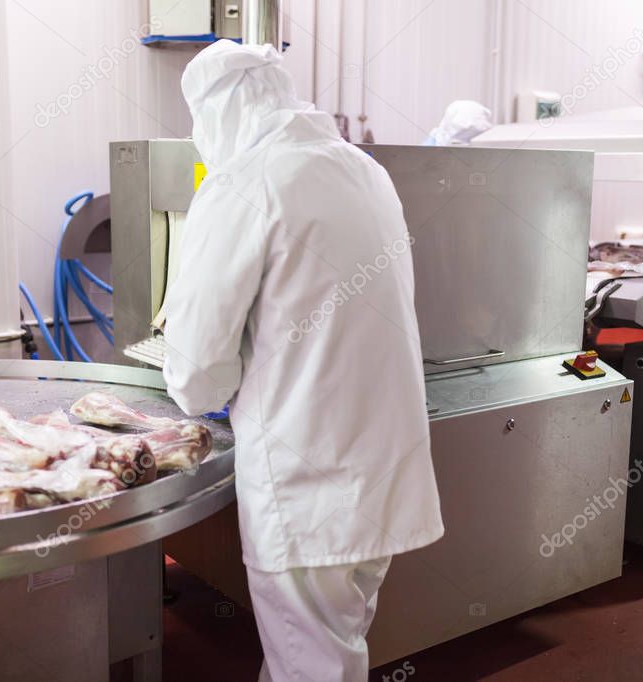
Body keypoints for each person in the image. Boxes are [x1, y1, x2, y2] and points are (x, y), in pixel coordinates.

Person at [162, 39, 444, 682]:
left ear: (215, 115)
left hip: (307, 483)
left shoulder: (243, 182)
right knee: (328, 648)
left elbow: (196, 367)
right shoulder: (361, 169)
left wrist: (199, 386)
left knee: (309, 663)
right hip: (381, 473)